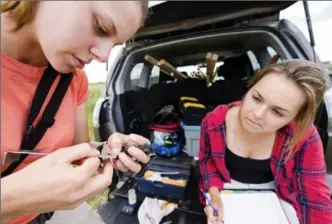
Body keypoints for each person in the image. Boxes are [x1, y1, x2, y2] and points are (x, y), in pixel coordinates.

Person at [1, 1, 150, 224]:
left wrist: (106, 151)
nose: (104, 56)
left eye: (115, 44)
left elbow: (77, 152)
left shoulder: (73, 80)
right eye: (100, 26)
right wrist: (12, 200)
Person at [199, 59, 332, 224]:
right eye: (256, 98)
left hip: (278, 200)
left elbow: (314, 199)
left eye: (277, 111)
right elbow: (208, 164)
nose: (257, 114)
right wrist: (213, 195)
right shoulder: (213, 122)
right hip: (227, 196)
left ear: (295, 118)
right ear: (250, 87)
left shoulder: (303, 136)